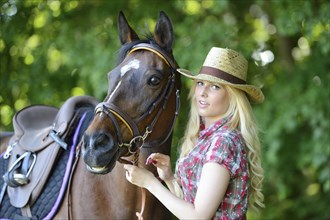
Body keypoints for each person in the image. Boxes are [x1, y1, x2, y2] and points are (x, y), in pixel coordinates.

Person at [124, 47, 265, 219]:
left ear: (233, 96)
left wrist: (150, 182)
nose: (203, 93)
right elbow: (192, 207)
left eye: (214, 86)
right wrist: (169, 178)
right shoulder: (207, 139)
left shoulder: (224, 141)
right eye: (200, 83)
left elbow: (198, 217)